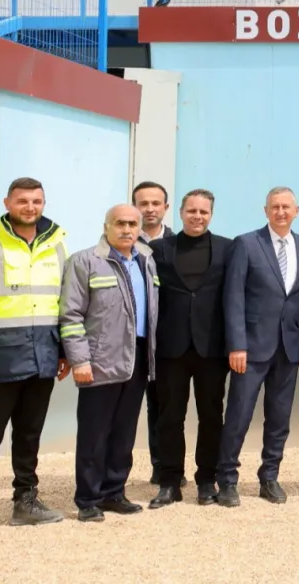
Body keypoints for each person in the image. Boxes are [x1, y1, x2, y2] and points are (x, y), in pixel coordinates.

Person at [0, 177, 69, 541]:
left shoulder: (57, 244)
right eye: (22, 201)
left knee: (29, 433)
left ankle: (26, 501)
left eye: (37, 201)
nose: (30, 207)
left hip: (43, 356)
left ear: (44, 203)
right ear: (7, 203)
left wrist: (63, 351)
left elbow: (64, 303)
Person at [59, 205, 160, 522]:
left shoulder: (146, 261)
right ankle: (88, 499)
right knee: (94, 432)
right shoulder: (85, 261)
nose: (126, 229)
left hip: (138, 358)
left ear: (139, 228)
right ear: (106, 226)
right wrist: (79, 359)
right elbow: (71, 315)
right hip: (100, 360)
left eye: (132, 224)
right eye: (120, 223)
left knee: (124, 432)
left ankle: (114, 492)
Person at [217, 186, 299, 507]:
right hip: (250, 349)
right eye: (275, 207)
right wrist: (237, 345)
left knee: (279, 418)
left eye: (286, 207)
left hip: (289, 349)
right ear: (266, 210)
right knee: (239, 415)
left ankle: (269, 476)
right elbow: (233, 297)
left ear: (296, 211)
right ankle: (227, 480)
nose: (281, 212)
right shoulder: (247, 243)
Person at [148, 189, 232, 508]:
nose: (198, 216)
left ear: (211, 214)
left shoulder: (227, 248)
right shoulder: (158, 249)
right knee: (170, 416)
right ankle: (169, 481)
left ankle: (207, 480)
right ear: (181, 212)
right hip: (171, 347)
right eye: (192, 211)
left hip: (212, 348)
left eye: (204, 212)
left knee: (211, 416)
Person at [133, 181, 174, 485]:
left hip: (168, 341)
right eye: (143, 203)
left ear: (165, 208)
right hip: (133, 340)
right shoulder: (122, 242)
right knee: (129, 406)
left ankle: (163, 467)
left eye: (155, 203)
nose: (149, 209)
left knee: (163, 406)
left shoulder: (179, 244)